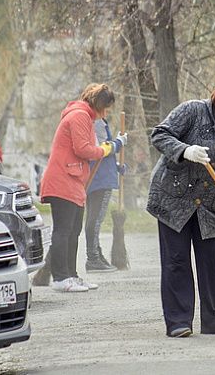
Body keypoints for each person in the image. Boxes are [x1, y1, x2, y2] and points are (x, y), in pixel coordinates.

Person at [147, 73, 215, 338]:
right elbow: (159, 134)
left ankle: (213, 320)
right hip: (173, 200)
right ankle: (178, 321)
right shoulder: (193, 111)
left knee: (210, 261)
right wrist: (184, 150)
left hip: (210, 206)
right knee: (176, 260)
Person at [40, 83, 118, 293]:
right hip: (62, 180)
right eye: (107, 109)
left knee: (73, 230)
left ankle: (71, 275)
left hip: (73, 180)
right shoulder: (79, 116)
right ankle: (60, 278)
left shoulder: (83, 116)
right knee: (63, 231)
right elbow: (83, 149)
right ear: (100, 105)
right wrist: (105, 149)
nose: (106, 114)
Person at [85, 118, 128, 273]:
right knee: (95, 220)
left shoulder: (96, 120)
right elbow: (102, 149)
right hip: (99, 180)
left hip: (97, 177)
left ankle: (96, 255)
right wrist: (118, 143)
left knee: (93, 220)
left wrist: (115, 166)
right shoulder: (96, 122)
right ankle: (93, 258)